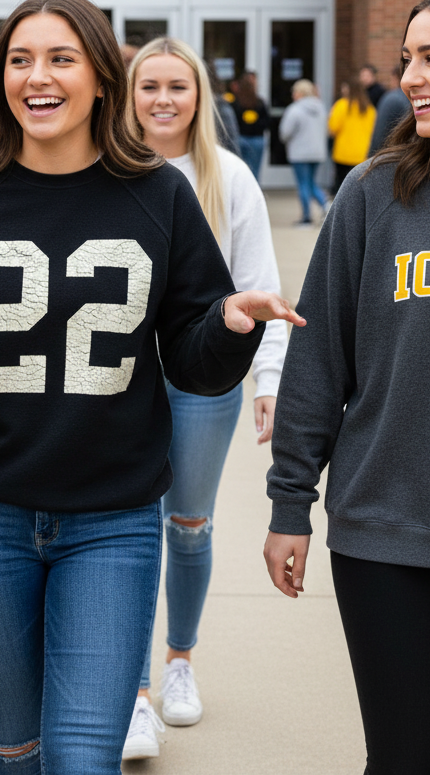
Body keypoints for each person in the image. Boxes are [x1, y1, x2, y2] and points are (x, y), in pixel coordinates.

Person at [0, 0, 302, 775]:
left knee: (82, 759)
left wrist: (233, 323)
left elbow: (194, 361)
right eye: (21, 59)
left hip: (112, 520)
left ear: (104, 78)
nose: (38, 77)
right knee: (12, 751)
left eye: (62, 58)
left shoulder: (158, 193)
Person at [264, 0, 430, 774]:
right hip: (386, 529)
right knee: (403, 758)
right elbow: (320, 362)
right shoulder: (373, 195)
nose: (410, 78)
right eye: (407, 59)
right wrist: (290, 501)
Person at [122, 38, 288, 759]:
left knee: (188, 524)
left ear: (198, 97)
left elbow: (261, 283)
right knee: (121, 528)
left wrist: (270, 381)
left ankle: (179, 663)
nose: (163, 99)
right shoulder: (110, 169)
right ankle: (129, 695)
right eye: (149, 85)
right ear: (127, 94)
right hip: (118, 376)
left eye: (177, 87)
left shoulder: (230, 176)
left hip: (200, 380)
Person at [279, 79, 330, 225]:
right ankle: (326, 205)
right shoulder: (320, 108)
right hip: (317, 152)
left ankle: (307, 217)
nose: (293, 95)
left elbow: (285, 132)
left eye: (294, 92)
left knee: (303, 184)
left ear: (300, 93)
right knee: (310, 182)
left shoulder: (294, 110)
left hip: (299, 153)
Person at [328, 75, 376, 195]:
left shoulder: (341, 105)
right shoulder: (370, 109)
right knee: (359, 190)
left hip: (343, 153)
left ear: (349, 89)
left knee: (341, 189)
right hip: (363, 153)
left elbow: (332, 130)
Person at [233, 71, 270, 181]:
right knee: (255, 172)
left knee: (239, 170)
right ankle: (253, 194)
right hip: (257, 140)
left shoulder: (236, 103)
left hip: (241, 139)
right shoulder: (259, 102)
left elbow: (233, 122)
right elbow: (267, 122)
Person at [368, 65, 410, 155]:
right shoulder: (416, 99)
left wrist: (371, 159)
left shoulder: (392, 99)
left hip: (390, 157)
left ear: (395, 78)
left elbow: (379, 135)